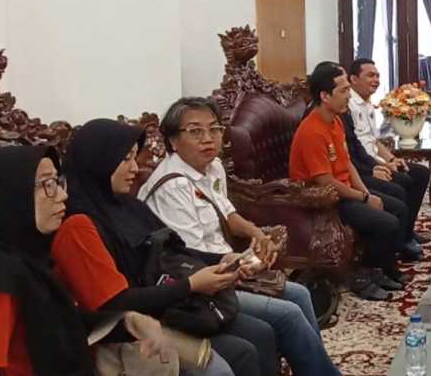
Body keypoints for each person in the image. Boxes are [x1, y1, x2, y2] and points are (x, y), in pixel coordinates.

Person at [140, 97, 344, 376]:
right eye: (195, 131)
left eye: (214, 129)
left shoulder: (212, 166)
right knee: (290, 312)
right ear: (173, 141)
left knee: (300, 294)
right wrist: (243, 262)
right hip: (201, 282)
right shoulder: (172, 187)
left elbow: (227, 213)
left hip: (226, 267)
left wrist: (256, 235)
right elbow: (192, 255)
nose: (208, 138)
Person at [53, 119, 272, 376]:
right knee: (229, 361)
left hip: (174, 303)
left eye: (135, 157)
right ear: (98, 161)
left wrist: (222, 260)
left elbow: (170, 250)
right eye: (125, 159)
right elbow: (115, 302)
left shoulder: (127, 205)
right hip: (139, 327)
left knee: (263, 332)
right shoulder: (77, 226)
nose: (136, 168)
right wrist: (191, 285)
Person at [0, 146, 108, 375]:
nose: (62, 195)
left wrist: (124, 322)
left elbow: (55, 322)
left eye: (57, 182)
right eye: (46, 184)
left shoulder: (28, 259)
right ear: (7, 197)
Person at [290, 62, 408, 290]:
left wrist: (365, 193)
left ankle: (383, 268)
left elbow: (347, 164)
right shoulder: (311, 131)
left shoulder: (335, 120)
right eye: (343, 91)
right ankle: (363, 275)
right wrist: (364, 198)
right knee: (387, 222)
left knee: (396, 207)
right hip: (325, 200)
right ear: (325, 96)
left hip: (345, 191)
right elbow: (326, 181)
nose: (348, 96)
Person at [347, 58, 431, 245]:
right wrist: (381, 166)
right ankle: (400, 241)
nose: (376, 80)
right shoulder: (348, 106)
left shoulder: (368, 104)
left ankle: (407, 232)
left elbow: (375, 141)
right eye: (370, 75)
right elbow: (353, 150)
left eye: (377, 76)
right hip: (364, 167)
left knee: (421, 173)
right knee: (403, 181)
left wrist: (392, 159)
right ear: (353, 79)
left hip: (375, 162)